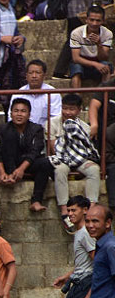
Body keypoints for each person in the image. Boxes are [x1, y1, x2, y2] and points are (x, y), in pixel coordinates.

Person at [49, 94, 101, 230]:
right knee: (60, 170)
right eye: (64, 108)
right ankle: (64, 210)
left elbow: (85, 149)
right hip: (62, 158)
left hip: (79, 159)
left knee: (94, 169)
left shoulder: (85, 127)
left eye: (71, 109)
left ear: (79, 110)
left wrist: (80, 160)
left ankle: (91, 208)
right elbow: (54, 148)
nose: (67, 112)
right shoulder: (53, 123)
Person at [0, 97, 52, 213]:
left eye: (23, 111)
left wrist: (21, 169)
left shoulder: (36, 129)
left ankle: (36, 201)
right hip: (9, 163)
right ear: (10, 113)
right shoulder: (3, 129)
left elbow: (35, 151)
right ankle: (10, 176)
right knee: (10, 138)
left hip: (28, 163)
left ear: (29, 114)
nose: (19, 114)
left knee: (45, 163)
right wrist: (2, 173)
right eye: (16, 111)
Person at [70, 5, 112, 90]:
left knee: (106, 68)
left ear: (103, 21)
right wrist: (95, 64)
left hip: (98, 61)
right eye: (91, 20)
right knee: (76, 70)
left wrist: (99, 44)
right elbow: (76, 58)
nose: (94, 23)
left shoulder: (107, 33)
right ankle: (76, 99)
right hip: (82, 62)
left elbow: (104, 57)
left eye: (98, 20)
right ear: (86, 20)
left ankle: (103, 99)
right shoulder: (76, 33)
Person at [9, 59, 60, 127]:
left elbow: (55, 118)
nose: (34, 76)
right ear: (26, 76)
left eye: (38, 72)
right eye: (31, 73)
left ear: (44, 75)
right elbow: (11, 117)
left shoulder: (53, 93)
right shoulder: (19, 94)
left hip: (45, 133)